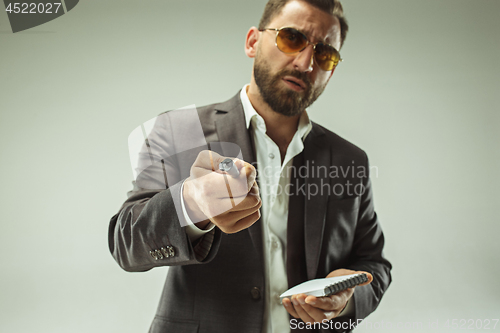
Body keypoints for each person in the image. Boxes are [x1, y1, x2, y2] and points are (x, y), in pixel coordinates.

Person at [108, 0, 392, 332]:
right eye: (292, 38)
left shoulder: (349, 159)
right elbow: (126, 243)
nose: (304, 63)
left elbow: (375, 265)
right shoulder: (180, 131)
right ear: (253, 42)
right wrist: (191, 202)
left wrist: (348, 297)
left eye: (324, 55)